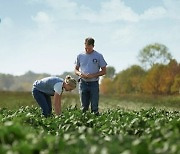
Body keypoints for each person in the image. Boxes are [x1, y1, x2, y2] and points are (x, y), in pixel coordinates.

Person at [75, 37, 107, 115]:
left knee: (94, 107)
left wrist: (93, 75)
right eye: (86, 48)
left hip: (94, 84)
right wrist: (80, 74)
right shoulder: (80, 56)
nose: (87, 50)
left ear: (93, 46)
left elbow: (104, 71)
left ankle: (95, 124)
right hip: (83, 83)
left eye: (89, 48)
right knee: (84, 108)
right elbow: (76, 70)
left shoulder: (98, 56)